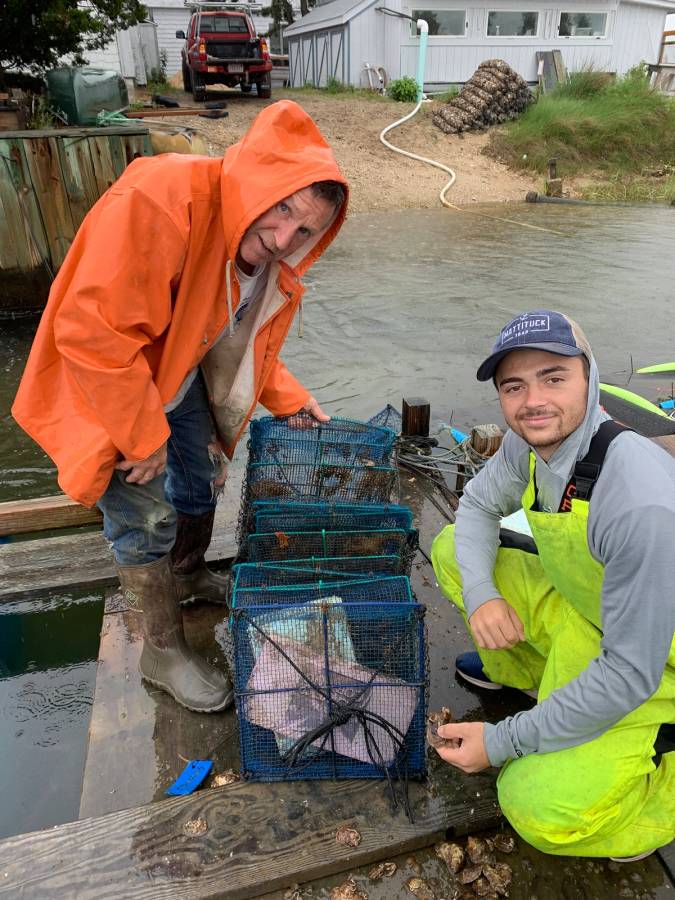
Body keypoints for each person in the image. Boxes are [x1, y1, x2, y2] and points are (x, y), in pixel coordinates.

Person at [12, 100, 348, 715]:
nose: (282, 240)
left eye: (305, 231)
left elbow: (236, 336)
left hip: (176, 369)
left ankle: (188, 573)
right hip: (106, 380)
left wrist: (289, 399)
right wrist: (142, 437)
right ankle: (161, 648)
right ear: (256, 183)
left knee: (201, 474)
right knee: (144, 514)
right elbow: (93, 333)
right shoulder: (161, 196)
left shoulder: (262, 255)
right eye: (281, 211)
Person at [431, 310, 675, 861]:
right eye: (513, 386)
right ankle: (539, 685)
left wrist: (500, 742)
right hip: (588, 614)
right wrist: (483, 596)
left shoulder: (638, 502)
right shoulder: (532, 442)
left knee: (534, 805)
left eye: (553, 377)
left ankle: (653, 783)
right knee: (451, 551)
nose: (533, 400)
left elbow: (629, 672)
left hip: (654, 666)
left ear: (589, 378)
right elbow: (474, 507)